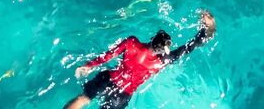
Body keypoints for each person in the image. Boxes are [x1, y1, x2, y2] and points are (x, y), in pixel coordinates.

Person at [63, 9, 215, 109]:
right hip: (122, 94)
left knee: (83, 99)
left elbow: (108, 55)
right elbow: (190, 46)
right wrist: (207, 29)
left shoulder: (132, 43)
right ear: (163, 50)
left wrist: (89, 65)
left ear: (152, 38)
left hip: (108, 79)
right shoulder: (162, 61)